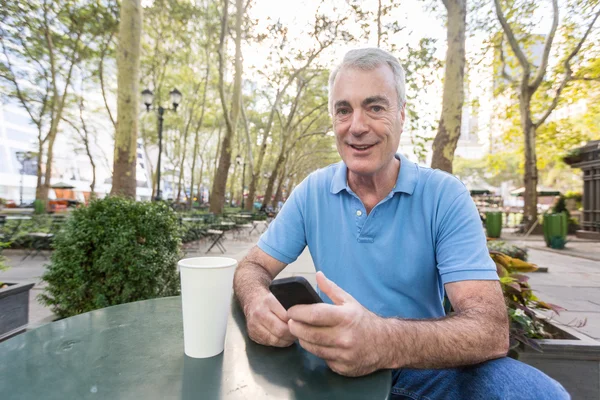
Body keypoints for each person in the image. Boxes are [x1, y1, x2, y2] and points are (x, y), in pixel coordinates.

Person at [233, 48, 569, 399]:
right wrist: (255, 298)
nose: (357, 126)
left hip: (424, 370)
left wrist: (381, 340)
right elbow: (253, 265)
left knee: (536, 393)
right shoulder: (311, 191)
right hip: (329, 367)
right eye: (343, 110)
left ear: (402, 116)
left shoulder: (444, 194)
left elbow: (489, 329)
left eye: (375, 107)